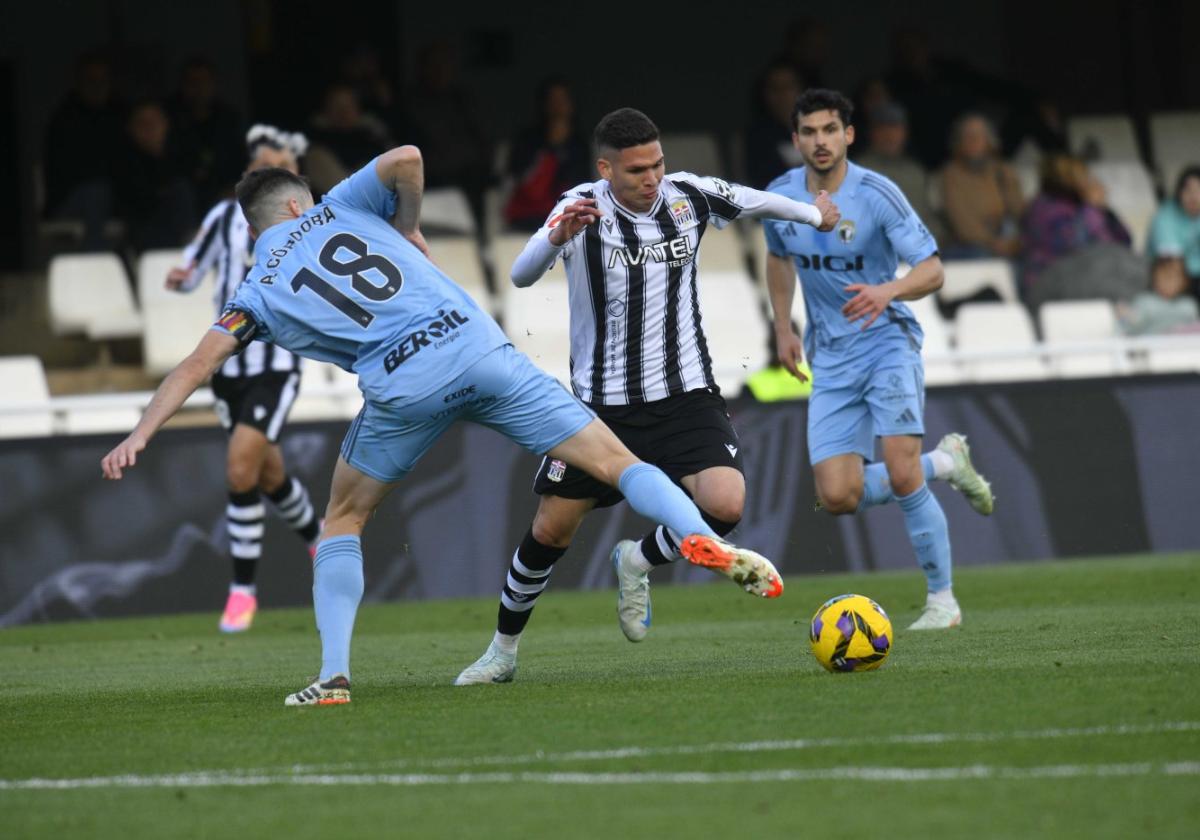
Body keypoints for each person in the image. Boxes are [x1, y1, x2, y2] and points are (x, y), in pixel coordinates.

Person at [101, 146, 783, 706]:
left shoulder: (253, 289)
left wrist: (140, 433)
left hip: (405, 390)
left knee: (342, 518)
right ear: (295, 202)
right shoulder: (340, 204)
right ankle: (697, 538)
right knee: (618, 462)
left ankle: (334, 676)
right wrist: (408, 225)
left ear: (260, 226)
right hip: (479, 351)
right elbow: (408, 157)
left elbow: (197, 363)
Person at [454, 107, 838, 686]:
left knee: (726, 505)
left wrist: (815, 213)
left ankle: (638, 559)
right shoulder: (580, 206)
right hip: (600, 410)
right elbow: (521, 275)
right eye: (636, 170)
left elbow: (757, 200)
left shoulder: (690, 198)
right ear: (606, 168)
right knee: (551, 531)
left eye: (657, 164)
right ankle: (502, 652)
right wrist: (557, 236)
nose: (652, 178)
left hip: (686, 395)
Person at [763, 89, 996, 630]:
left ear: (848, 135)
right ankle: (945, 463)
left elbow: (932, 269)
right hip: (831, 356)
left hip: (887, 342)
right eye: (809, 132)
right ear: (796, 139)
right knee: (837, 495)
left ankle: (943, 601)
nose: (819, 141)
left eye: (829, 130)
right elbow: (778, 259)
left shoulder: (878, 194)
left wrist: (887, 290)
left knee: (899, 468)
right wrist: (782, 326)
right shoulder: (779, 196)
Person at [165, 124, 320, 633]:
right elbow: (193, 269)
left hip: (274, 363)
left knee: (239, 470)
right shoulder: (222, 218)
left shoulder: (309, 222)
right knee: (268, 473)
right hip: (228, 366)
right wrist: (182, 278)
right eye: (257, 170)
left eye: (274, 170)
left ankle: (242, 590)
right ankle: (321, 541)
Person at [1021, 153, 1133, 301]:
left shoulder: (1080, 207)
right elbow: (1078, 248)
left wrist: (1105, 211)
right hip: (1049, 282)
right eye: (1082, 176)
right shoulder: (1045, 208)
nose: (1088, 182)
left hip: (1084, 277)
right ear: (1065, 179)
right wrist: (1092, 208)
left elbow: (1124, 242)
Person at [502, 76, 592, 231]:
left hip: (569, 217)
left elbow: (583, 186)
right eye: (552, 101)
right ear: (543, 105)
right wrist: (551, 149)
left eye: (562, 100)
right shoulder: (527, 141)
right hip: (529, 217)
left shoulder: (579, 144)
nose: (557, 107)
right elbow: (521, 185)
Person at [852, 101, 945, 243]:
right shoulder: (857, 170)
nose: (890, 135)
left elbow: (930, 218)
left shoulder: (916, 172)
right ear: (871, 132)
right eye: (882, 128)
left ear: (904, 132)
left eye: (895, 128)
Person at [111, 100, 197, 252]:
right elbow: (137, 202)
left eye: (154, 122)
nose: (149, 129)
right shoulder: (122, 162)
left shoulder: (180, 156)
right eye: (142, 123)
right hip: (141, 236)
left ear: (165, 125)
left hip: (180, 235)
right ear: (131, 128)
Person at [937, 113, 1024, 260]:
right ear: (959, 142)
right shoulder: (951, 174)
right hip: (971, 244)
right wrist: (992, 242)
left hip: (1007, 238)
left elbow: (1020, 211)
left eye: (979, 136)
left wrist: (1015, 242)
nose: (973, 141)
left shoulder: (1002, 170)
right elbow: (962, 223)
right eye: (968, 136)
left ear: (989, 141)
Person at [744, 60, 806, 189]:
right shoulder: (758, 135)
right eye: (775, 88)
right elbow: (764, 181)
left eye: (787, 87)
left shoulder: (818, 128)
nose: (782, 94)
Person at [1147, 166, 1200, 305]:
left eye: (1198, 190)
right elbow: (1172, 264)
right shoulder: (1166, 216)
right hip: (1171, 276)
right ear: (1179, 192)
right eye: (1188, 190)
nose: (1193, 196)